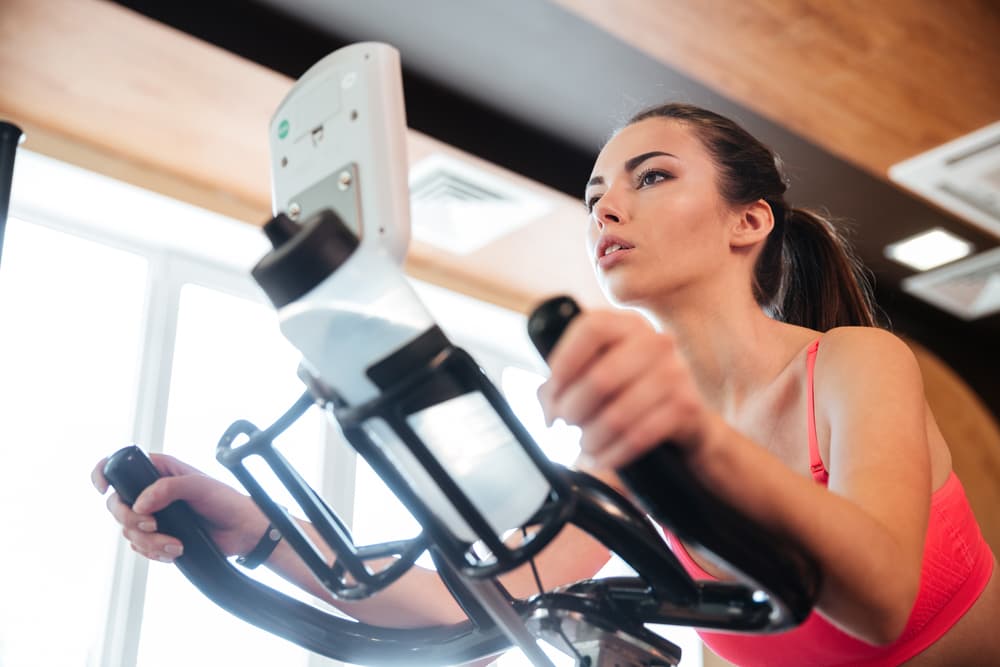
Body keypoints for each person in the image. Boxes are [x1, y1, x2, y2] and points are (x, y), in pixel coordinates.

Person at [93, 103, 998, 665]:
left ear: (749, 219)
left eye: (651, 177)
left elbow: (879, 599)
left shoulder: (852, 362)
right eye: (597, 192)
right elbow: (478, 593)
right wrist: (259, 535)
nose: (606, 206)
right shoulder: (626, 442)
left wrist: (685, 438)